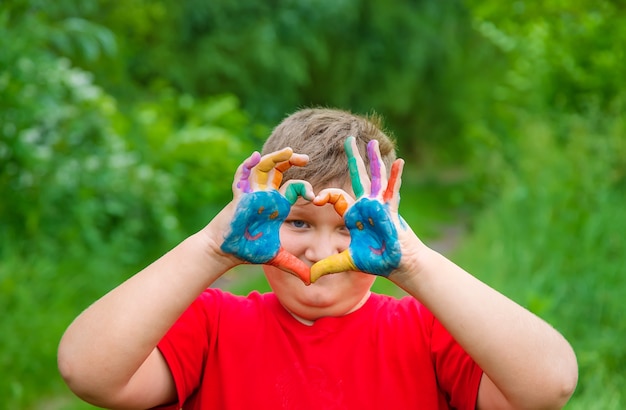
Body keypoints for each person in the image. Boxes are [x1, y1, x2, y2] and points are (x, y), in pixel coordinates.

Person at [58, 108, 578, 409]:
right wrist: (211, 246)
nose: (321, 249)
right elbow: (87, 371)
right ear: (258, 220)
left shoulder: (428, 331)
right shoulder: (212, 324)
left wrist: (414, 263)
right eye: (299, 222)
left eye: (349, 227)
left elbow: (549, 384)